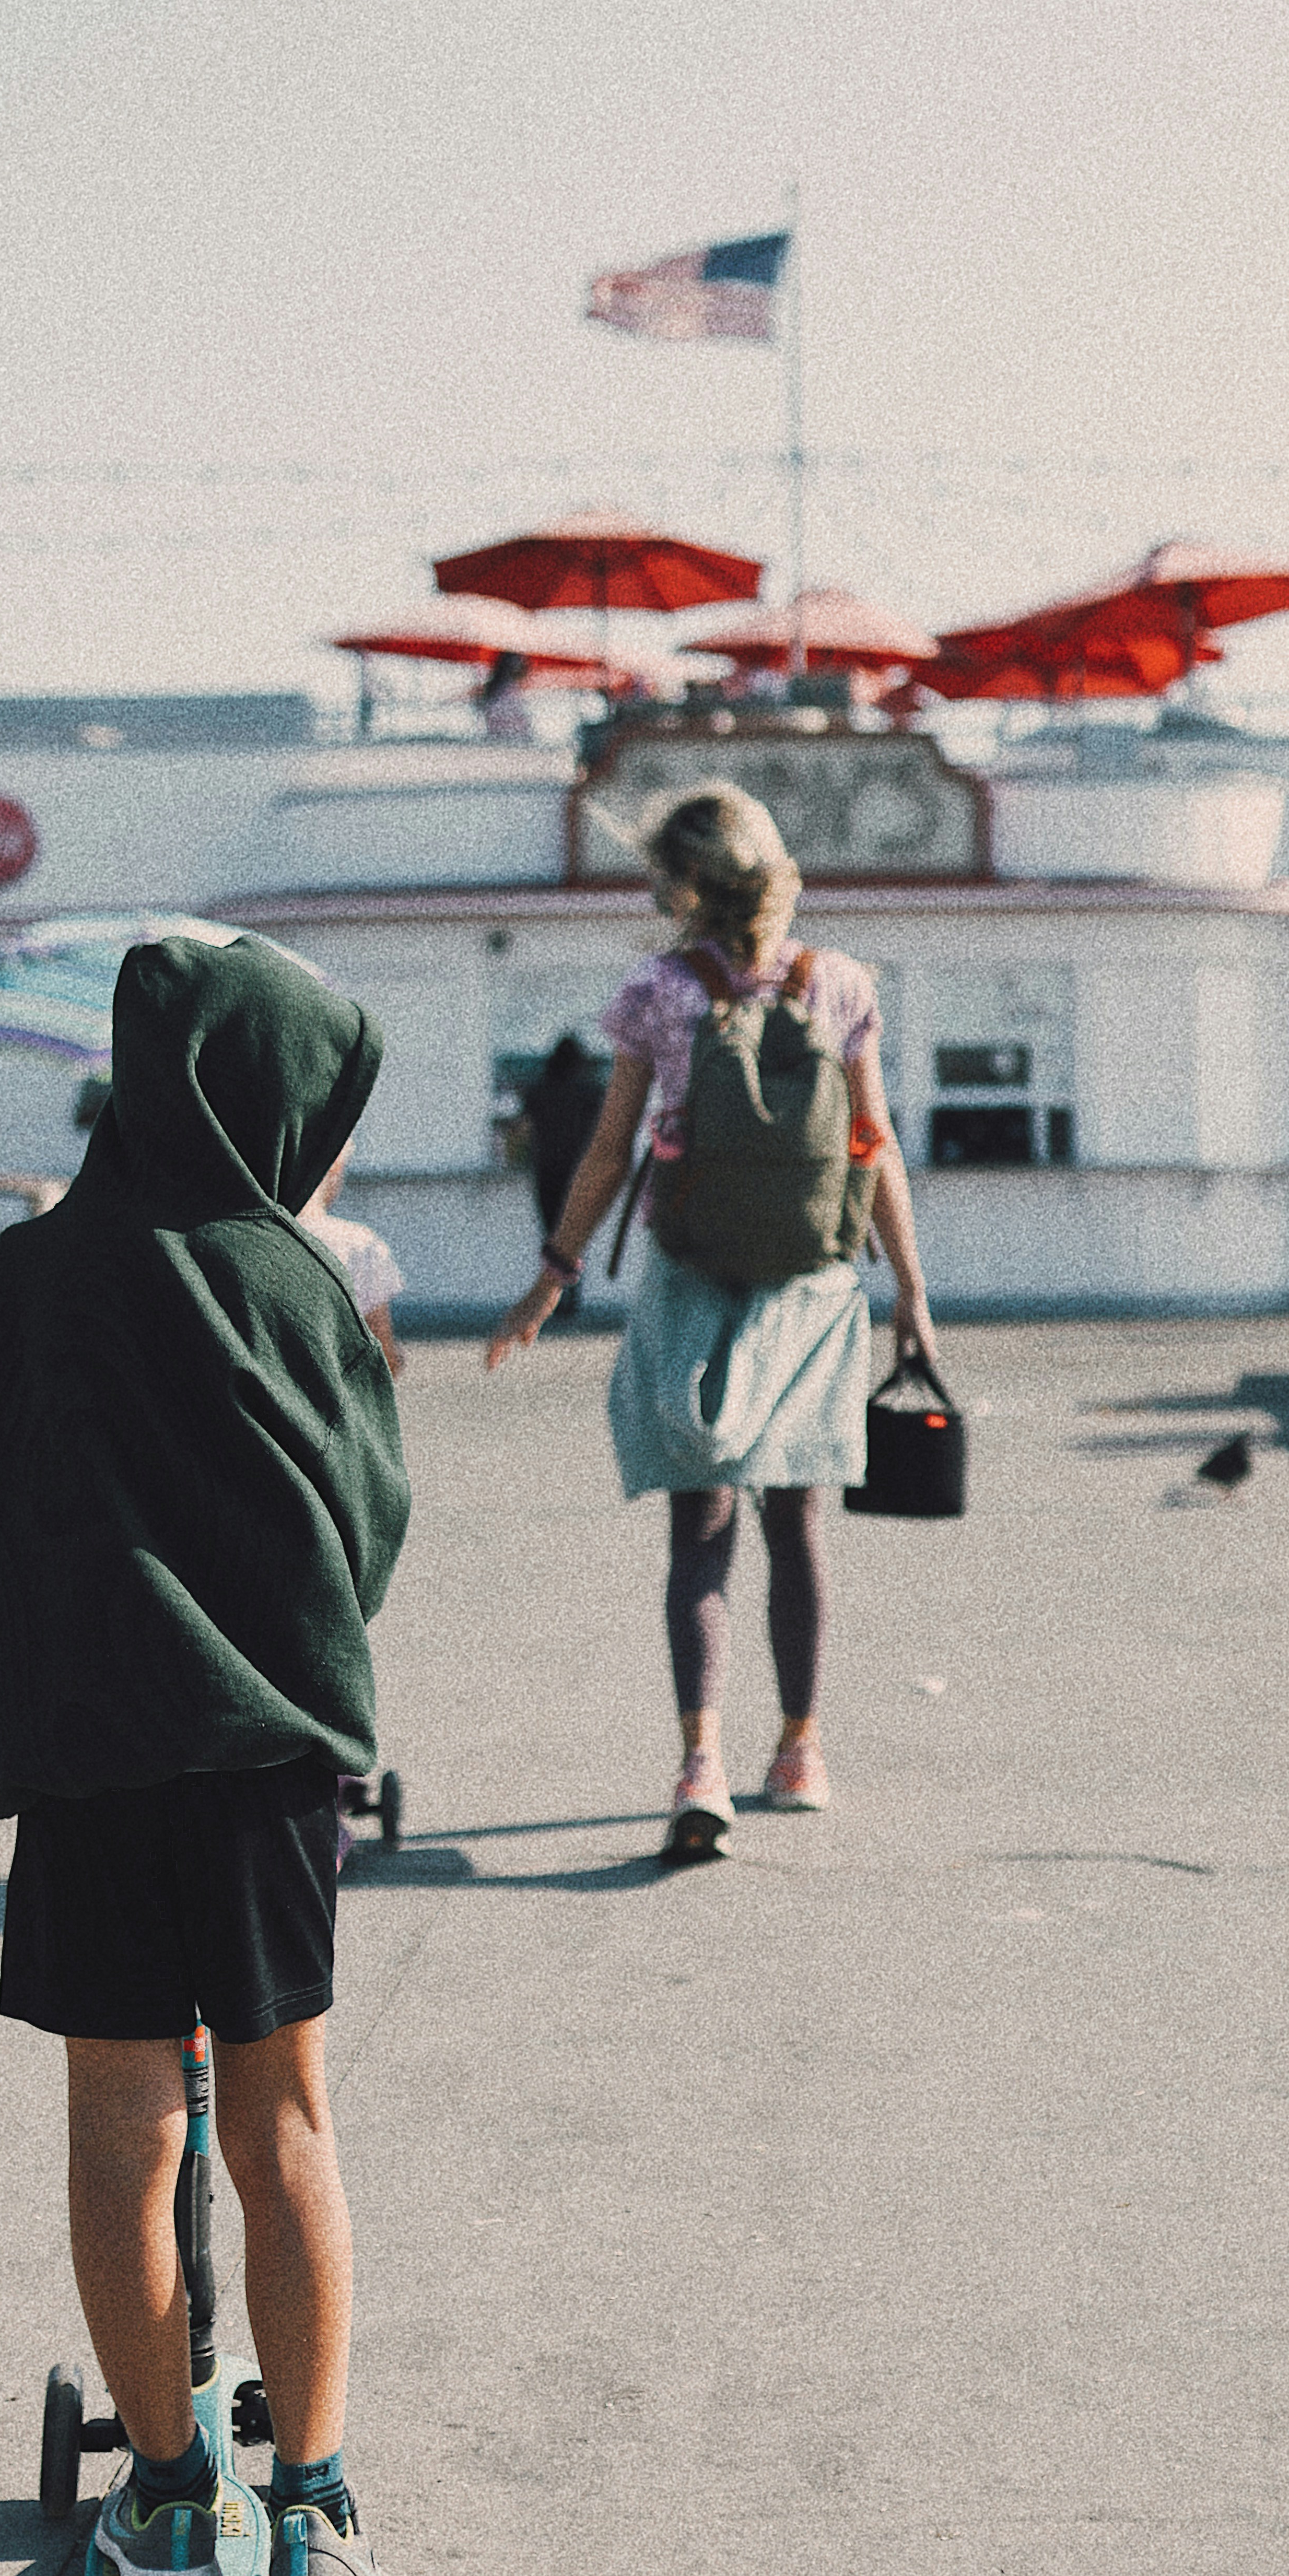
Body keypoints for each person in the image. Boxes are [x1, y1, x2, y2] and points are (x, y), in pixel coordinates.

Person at [0, 933, 414, 2576]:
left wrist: (63, 1607)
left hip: (85, 1753)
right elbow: (370, 1520)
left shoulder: (26, 1278)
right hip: (264, 1762)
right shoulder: (299, 1280)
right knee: (283, 2122)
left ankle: (174, 2491)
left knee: (128, 2125)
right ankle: (321, 2503)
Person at [483, 782, 940, 1858]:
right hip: (813, 1288)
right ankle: (800, 1745)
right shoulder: (840, 984)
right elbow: (873, 1145)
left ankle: (700, 1761)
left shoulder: (656, 989)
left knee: (700, 1535)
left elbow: (606, 1150)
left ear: (681, 881)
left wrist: (553, 1276)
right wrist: (911, 1294)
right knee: (797, 1527)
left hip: (691, 1281)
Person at [521, 1032, 608, 1322]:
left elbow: (522, 1126)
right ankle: (572, 1294)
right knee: (574, 1234)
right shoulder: (590, 1091)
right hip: (579, 1172)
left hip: (547, 1172)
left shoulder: (539, 1090)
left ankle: (553, 1295)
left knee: (552, 1236)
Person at [306, 1145, 404, 1374]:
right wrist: (396, 1360)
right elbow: (383, 1354)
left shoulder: (247, 1238)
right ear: (335, 1168)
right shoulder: (358, 1244)